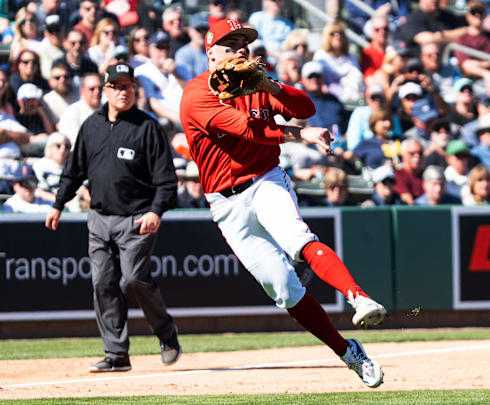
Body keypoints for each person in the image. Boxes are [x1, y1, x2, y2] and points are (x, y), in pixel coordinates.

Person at [178, 19, 385, 388]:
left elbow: (304, 105)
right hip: (225, 204)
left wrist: (270, 84)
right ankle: (347, 350)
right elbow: (248, 129)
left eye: (245, 41)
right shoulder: (197, 94)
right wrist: (301, 134)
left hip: (265, 180)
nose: (241, 48)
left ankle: (359, 298)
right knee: (283, 289)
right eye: (231, 42)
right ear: (211, 52)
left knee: (296, 238)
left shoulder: (259, 82)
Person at [45, 63, 182, 373]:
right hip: (99, 218)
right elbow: (74, 170)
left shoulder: (147, 127)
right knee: (103, 283)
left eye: (129, 86)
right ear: (105, 91)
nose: (124, 91)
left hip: (137, 219)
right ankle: (116, 354)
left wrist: (155, 211)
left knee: (133, 279)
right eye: (117, 86)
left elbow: (167, 180)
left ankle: (165, 332)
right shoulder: (91, 126)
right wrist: (58, 204)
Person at [58, 72, 102, 147]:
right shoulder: (71, 113)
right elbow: (74, 143)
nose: (97, 92)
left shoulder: (109, 110)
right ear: (82, 91)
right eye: (92, 89)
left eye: (100, 88)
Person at [32, 132, 71, 203]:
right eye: (58, 145)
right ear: (50, 146)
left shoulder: (72, 166)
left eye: (67, 147)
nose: (63, 149)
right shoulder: (40, 165)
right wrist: (61, 203)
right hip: (47, 205)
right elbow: (39, 192)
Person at [42, 60, 79, 126]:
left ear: (71, 79)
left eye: (66, 77)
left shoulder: (82, 95)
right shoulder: (45, 101)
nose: (62, 80)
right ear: (50, 82)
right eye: (57, 78)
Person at [175, 13, 210, 81]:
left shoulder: (213, 51)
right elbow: (188, 83)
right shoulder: (183, 54)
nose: (201, 33)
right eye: (198, 29)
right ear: (189, 31)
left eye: (204, 29)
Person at [394, 138, 425, 205]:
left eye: (420, 153)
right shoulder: (399, 176)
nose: (417, 156)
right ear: (403, 155)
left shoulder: (426, 174)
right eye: (412, 153)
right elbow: (409, 203)